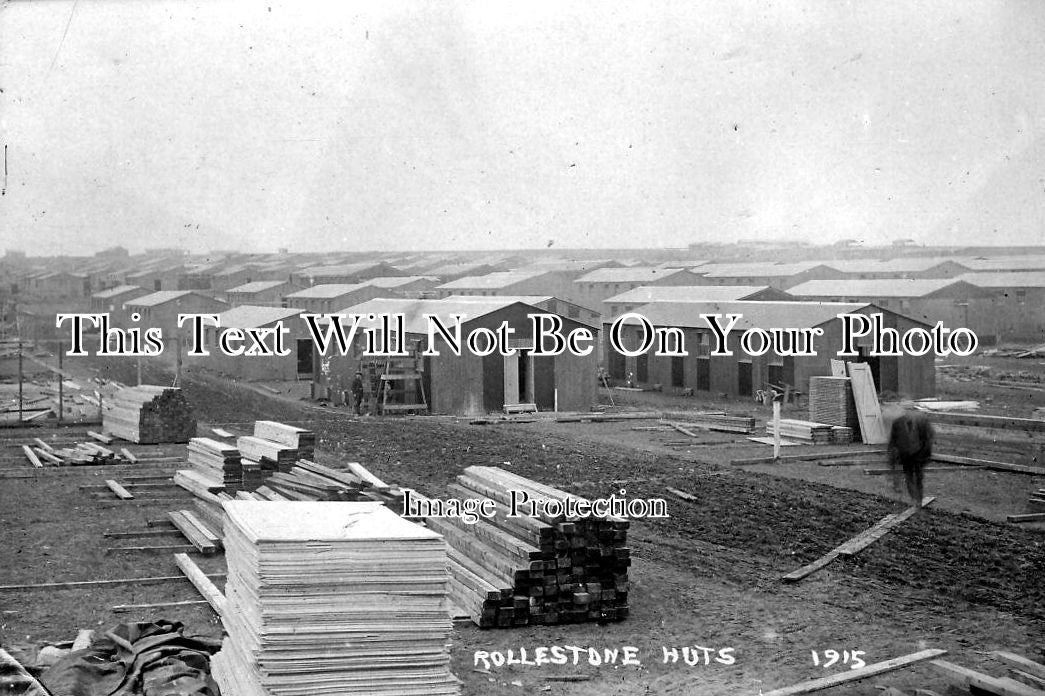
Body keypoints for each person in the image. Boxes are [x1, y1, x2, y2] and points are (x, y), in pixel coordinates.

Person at [886, 406, 934, 506]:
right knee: (909, 477)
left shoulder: (923, 422)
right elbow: (893, 440)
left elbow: (928, 438)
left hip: (920, 455)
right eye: (907, 411)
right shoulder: (898, 423)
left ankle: (919, 499)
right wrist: (892, 454)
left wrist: (926, 453)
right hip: (906, 456)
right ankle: (915, 499)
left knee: (919, 477)